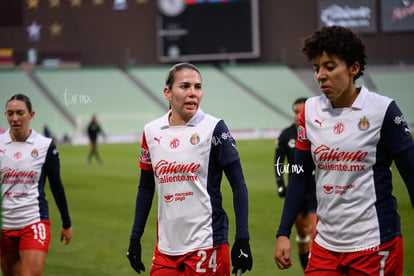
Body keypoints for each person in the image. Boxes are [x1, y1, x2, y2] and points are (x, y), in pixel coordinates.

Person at [273, 25, 414, 275]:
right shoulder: (310, 112)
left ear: (353, 68)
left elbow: (411, 173)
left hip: (375, 243)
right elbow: (299, 174)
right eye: (317, 68)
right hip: (325, 247)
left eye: (329, 67)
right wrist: (283, 232)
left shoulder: (383, 111)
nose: (320, 76)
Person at [126, 63, 253, 275]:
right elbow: (146, 187)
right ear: (168, 92)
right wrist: (135, 237)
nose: (193, 93)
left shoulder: (214, 128)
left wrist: (243, 237)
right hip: (166, 250)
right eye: (185, 86)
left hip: (207, 243)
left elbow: (238, 184)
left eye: (197, 87)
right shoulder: (151, 132)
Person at [0, 94, 72, 275]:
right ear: (5, 115)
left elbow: (56, 185)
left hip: (33, 221)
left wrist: (66, 222)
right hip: (4, 225)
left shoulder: (44, 145)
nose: (15, 118)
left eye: (20, 113)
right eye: (10, 113)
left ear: (31, 114)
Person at [274, 97, 317, 270]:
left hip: (315, 189)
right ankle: (307, 269)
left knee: (316, 233)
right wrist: (280, 184)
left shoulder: (317, 131)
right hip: (296, 189)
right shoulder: (286, 135)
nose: (298, 115)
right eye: (295, 111)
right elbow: (278, 161)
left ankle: (318, 269)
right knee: (302, 234)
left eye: (301, 111)